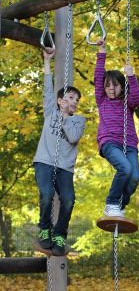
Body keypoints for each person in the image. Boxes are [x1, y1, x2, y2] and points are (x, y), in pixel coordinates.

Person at [33, 48, 86, 255]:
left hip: (65, 167)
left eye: (77, 100)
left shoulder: (78, 120)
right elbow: (47, 88)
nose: (74, 102)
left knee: (69, 199)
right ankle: (45, 229)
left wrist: (65, 116)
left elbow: (73, 138)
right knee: (46, 194)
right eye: (70, 98)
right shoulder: (50, 110)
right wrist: (47, 60)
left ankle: (59, 234)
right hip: (45, 161)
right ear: (60, 100)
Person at [94, 37, 139, 218]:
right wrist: (102, 52)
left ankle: (120, 204)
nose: (111, 89)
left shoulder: (127, 102)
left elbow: (137, 98)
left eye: (115, 85)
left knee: (135, 176)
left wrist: (131, 75)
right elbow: (99, 75)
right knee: (125, 168)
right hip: (109, 142)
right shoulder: (102, 100)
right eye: (108, 86)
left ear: (122, 86)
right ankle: (111, 203)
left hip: (129, 144)